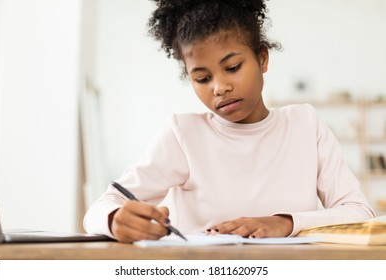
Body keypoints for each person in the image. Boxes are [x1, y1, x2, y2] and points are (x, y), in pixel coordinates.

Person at [83, 0, 375, 243]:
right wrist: (114, 220)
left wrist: (285, 223)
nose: (219, 87)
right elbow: (99, 209)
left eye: (233, 67)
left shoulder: (305, 125)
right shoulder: (184, 134)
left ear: (262, 58)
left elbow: (360, 212)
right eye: (202, 78)